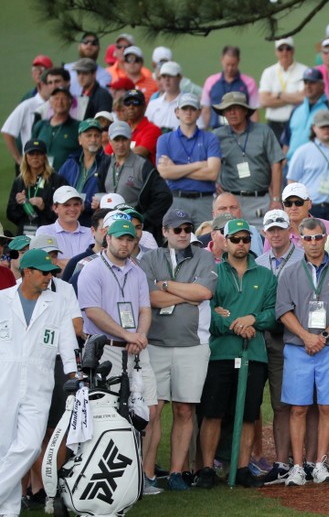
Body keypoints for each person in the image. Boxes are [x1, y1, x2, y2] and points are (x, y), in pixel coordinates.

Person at [77, 218, 160, 493]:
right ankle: (104, 477)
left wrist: (140, 335)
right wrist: (128, 336)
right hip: (106, 348)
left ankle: (138, 476)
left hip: (136, 348)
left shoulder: (136, 272)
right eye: (120, 238)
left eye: (130, 239)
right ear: (106, 237)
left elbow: (144, 310)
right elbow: (92, 312)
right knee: (109, 413)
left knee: (147, 410)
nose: (125, 243)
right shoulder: (91, 270)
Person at [138, 209, 217, 491]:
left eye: (187, 229)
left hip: (193, 345)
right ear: (165, 231)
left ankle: (175, 472)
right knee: (153, 410)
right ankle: (146, 473)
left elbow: (204, 293)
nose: (183, 234)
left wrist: (167, 285)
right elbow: (148, 297)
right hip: (155, 344)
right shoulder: (149, 258)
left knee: (185, 410)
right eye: (177, 229)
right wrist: (186, 293)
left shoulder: (204, 256)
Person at [195, 219, 277, 489]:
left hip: (254, 355)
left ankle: (242, 468)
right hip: (220, 354)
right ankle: (206, 469)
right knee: (213, 413)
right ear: (225, 242)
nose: (241, 244)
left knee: (248, 414)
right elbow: (208, 312)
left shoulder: (266, 276)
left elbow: (272, 314)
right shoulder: (214, 273)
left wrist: (252, 318)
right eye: (236, 239)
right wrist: (236, 325)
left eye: (245, 239)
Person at [275, 218, 329, 486]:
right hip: (299, 348)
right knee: (298, 407)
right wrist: (306, 337)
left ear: (325, 237)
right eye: (307, 239)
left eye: (318, 237)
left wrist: (321, 337)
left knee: (327, 406)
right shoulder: (289, 273)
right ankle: (298, 466)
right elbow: (283, 311)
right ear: (299, 240)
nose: (313, 243)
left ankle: (320, 462)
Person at [0, 249, 79, 517]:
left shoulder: (57, 302)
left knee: (32, 445)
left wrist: (73, 375)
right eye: (44, 272)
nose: (49, 277)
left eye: (52, 273)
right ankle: (8, 511)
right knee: (5, 448)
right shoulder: (2, 300)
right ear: (27, 272)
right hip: (4, 381)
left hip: (39, 381)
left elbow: (68, 342)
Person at [254, 209, 304, 483]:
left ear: (289, 231)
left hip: (292, 339)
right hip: (263, 340)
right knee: (256, 404)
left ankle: (286, 461)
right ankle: (254, 461)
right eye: (270, 229)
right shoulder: (258, 263)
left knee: (286, 404)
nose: (275, 233)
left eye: (280, 228)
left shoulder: (302, 257)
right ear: (264, 232)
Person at [95, 121, 172, 245]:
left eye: (124, 139)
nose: (120, 144)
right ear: (109, 140)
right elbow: (102, 192)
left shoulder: (143, 165)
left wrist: (143, 219)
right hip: (111, 228)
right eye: (116, 139)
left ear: (130, 139)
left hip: (136, 232)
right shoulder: (106, 164)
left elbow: (164, 196)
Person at [213, 91, 285, 224]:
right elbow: (208, 164)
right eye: (228, 109)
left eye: (236, 108)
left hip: (260, 199)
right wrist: (214, 184)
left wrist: (275, 199)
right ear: (223, 113)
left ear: (245, 110)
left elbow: (276, 164)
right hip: (230, 201)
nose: (232, 112)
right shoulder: (217, 136)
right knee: (230, 240)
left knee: (263, 241)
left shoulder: (263, 131)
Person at [156, 93, 222, 225]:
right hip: (176, 199)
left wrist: (175, 168)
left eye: (192, 109)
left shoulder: (210, 138)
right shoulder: (164, 139)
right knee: (177, 242)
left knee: (205, 241)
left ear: (199, 113)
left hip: (204, 201)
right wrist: (199, 165)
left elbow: (212, 173)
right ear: (177, 112)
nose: (188, 112)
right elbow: (165, 173)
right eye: (184, 109)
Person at [287, 110, 329, 224]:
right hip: (312, 207)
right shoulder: (303, 151)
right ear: (314, 128)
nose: (326, 130)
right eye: (322, 127)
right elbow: (292, 180)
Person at [7, 140, 67, 236]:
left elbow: (66, 213)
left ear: (45, 157)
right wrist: (20, 205)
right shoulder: (19, 181)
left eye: (39, 153)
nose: (35, 157)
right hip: (25, 235)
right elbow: (10, 214)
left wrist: (44, 206)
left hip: (50, 234)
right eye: (31, 153)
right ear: (26, 157)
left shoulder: (57, 180)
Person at [58, 119, 111, 227]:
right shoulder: (70, 163)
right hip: (67, 220)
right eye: (89, 135)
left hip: (94, 222)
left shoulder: (109, 163)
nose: (93, 139)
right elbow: (58, 190)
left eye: (97, 136)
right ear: (79, 140)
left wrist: (86, 205)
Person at [258, 37, 308, 139]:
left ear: (293, 50)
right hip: (273, 125)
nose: (284, 52)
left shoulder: (304, 70)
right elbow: (263, 101)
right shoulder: (268, 72)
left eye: (288, 48)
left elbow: (303, 98)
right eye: (281, 49)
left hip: (296, 123)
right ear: (276, 52)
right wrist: (293, 97)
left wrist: (278, 95)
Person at [201, 46, 259, 129]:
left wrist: (255, 132)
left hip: (241, 130)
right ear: (222, 60)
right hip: (217, 130)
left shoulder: (249, 83)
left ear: (238, 61)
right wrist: (204, 131)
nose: (230, 68)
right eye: (227, 64)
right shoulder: (210, 82)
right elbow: (206, 110)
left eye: (233, 65)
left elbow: (254, 111)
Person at [268, 183, 329, 252]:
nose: (293, 207)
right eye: (288, 203)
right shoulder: (274, 233)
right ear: (283, 206)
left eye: (299, 202)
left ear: (309, 204)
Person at [35, 185, 94, 266]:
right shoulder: (45, 232)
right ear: (55, 208)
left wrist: (61, 262)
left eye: (76, 204)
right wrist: (84, 264)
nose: (72, 209)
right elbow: (46, 265)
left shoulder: (91, 232)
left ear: (81, 206)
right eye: (66, 205)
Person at [282, 68, 329, 163]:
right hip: (291, 165)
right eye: (306, 82)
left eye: (312, 83)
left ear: (322, 86)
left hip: (316, 165)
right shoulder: (296, 109)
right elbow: (287, 140)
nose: (308, 86)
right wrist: (283, 164)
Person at [195, 193, 264, 255]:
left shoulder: (255, 234)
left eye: (233, 208)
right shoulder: (200, 243)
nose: (229, 212)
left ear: (240, 212)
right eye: (223, 208)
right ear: (214, 214)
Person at [30, 86, 80, 171]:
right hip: (41, 177)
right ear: (50, 102)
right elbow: (31, 151)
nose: (60, 102)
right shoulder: (40, 125)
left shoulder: (78, 127)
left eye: (64, 99)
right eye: (56, 98)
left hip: (67, 178)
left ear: (70, 103)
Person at [66, 32, 112, 98]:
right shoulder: (66, 69)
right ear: (79, 47)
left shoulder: (105, 75)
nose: (89, 44)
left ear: (99, 50)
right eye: (85, 42)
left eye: (94, 43)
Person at [144, 61, 183, 131]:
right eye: (164, 76)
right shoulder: (153, 104)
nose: (167, 80)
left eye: (170, 76)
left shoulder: (188, 104)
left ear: (179, 78)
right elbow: (146, 130)